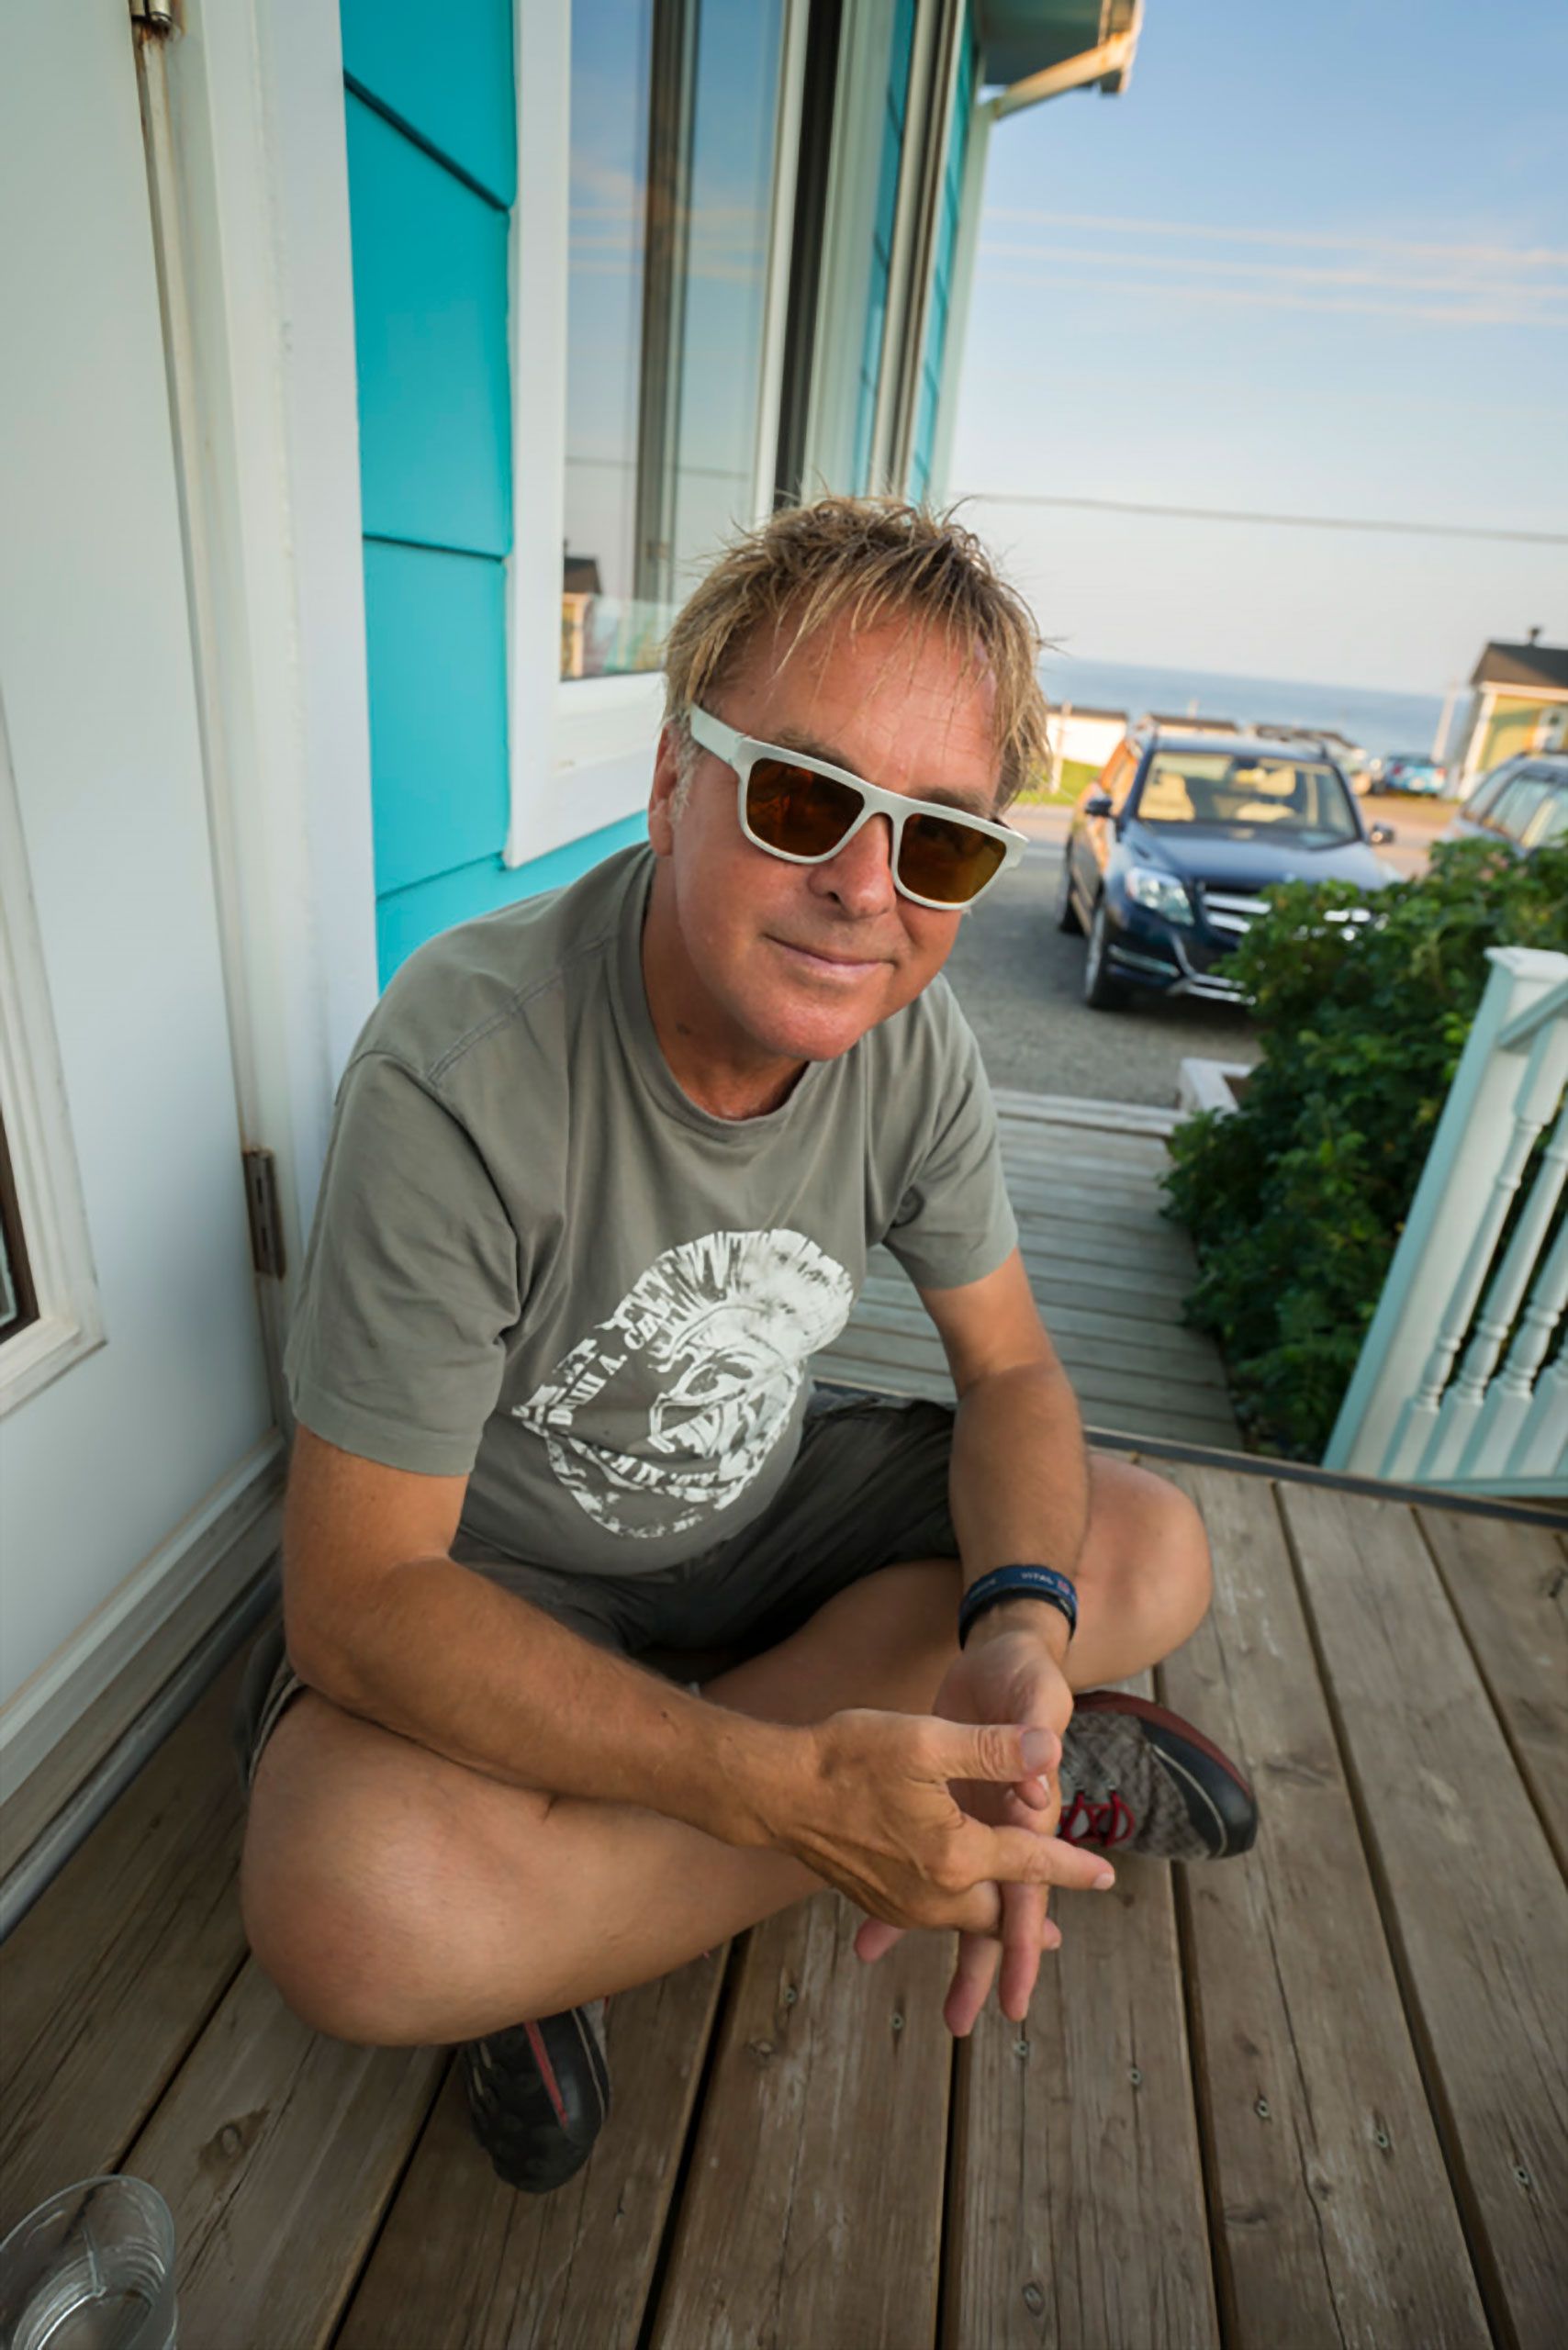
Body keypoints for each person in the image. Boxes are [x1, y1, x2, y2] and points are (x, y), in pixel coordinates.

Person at [232, 498, 1255, 2196]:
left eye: (941, 841)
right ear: (666, 784)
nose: (868, 886)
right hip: (507, 1583)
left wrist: (1015, 1633)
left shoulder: (904, 1042)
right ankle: (950, 1799)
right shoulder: (459, 1068)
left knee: (1136, 1547)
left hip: (762, 1507)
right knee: (350, 1908)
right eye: (803, 796)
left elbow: (1009, 1375)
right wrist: (776, 1793)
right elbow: (355, 1598)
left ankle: (580, 1919)